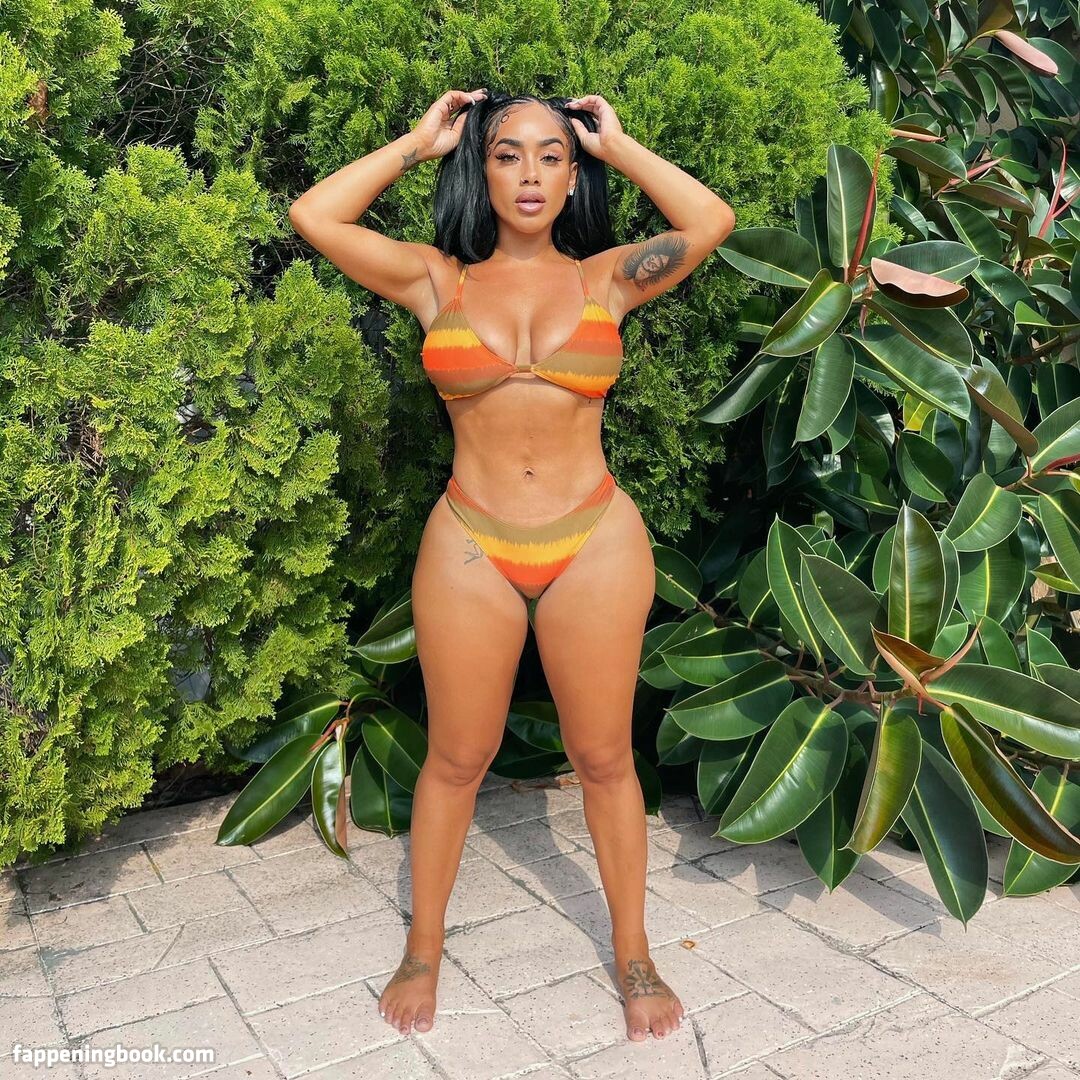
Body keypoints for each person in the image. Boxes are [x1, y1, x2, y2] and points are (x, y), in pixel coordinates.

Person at [289, 87, 735, 1043]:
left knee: (604, 758)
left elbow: (710, 222)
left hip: (594, 539)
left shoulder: (609, 279)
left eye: (549, 156)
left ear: (572, 177)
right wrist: (416, 145)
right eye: (506, 155)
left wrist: (620, 147)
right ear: (481, 172)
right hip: (471, 542)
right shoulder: (436, 282)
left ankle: (634, 954)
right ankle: (422, 947)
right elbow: (315, 216)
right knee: (457, 758)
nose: (529, 174)